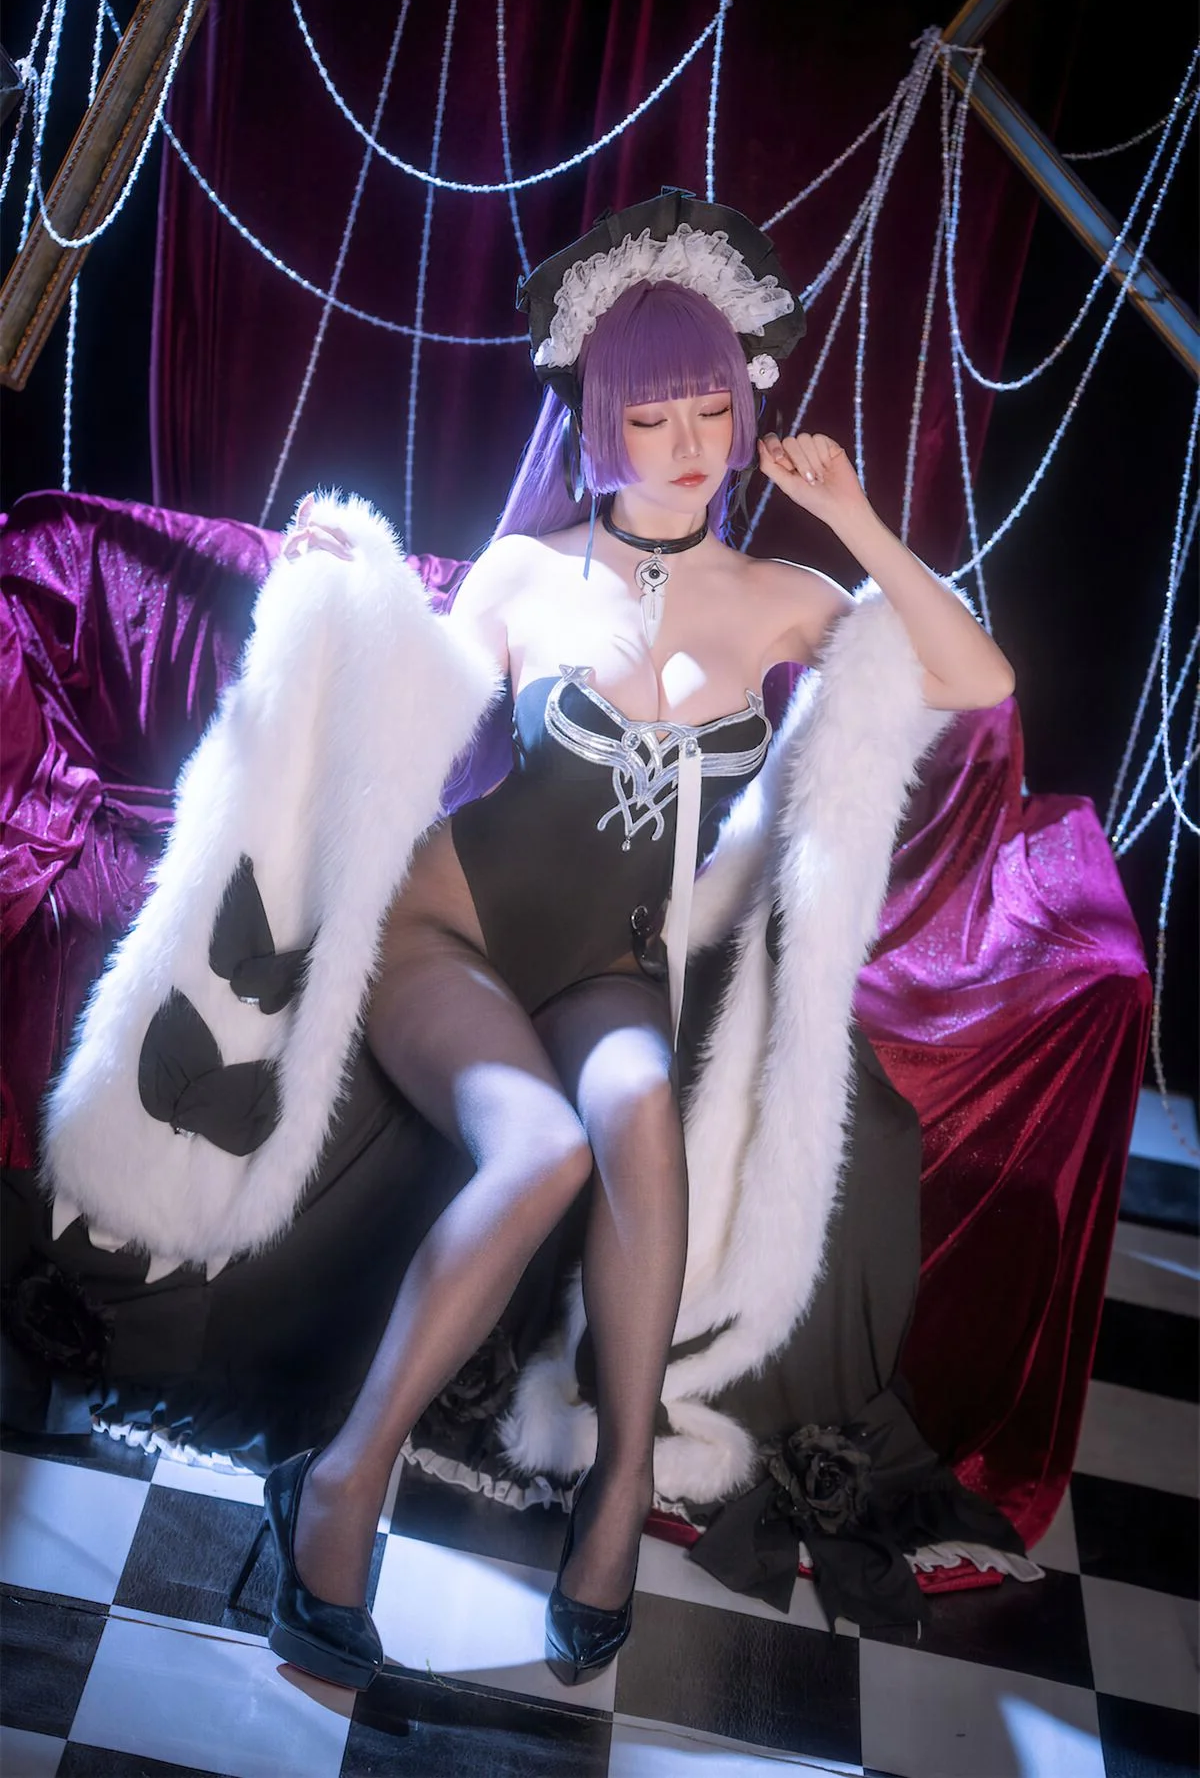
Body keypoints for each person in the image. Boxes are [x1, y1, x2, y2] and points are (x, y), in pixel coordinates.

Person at [32, 191, 1016, 1691]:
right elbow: (402, 705)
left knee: (642, 1132)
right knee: (544, 1150)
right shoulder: (528, 569)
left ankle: (617, 1490)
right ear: (599, 425)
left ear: (746, 409)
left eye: (711, 409)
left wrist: (858, 518)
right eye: (651, 416)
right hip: (450, 931)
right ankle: (344, 1480)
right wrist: (333, 580)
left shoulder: (784, 598)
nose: (687, 443)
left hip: (610, 970)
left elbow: (973, 675)